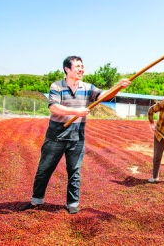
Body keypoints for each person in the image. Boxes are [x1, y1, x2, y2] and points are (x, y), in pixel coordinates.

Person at [20, 56, 131, 214]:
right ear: (67, 69)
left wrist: (118, 86)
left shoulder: (87, 87)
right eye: (77, 66)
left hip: (77, 137)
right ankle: (36, 200)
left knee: (75, 171)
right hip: (56, 136)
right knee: (44, 169)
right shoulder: (57, 86)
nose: (81, 69)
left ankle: (72, 203)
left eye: (82, 66)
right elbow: (54, 107)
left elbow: (104, 96)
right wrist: (76, 112)